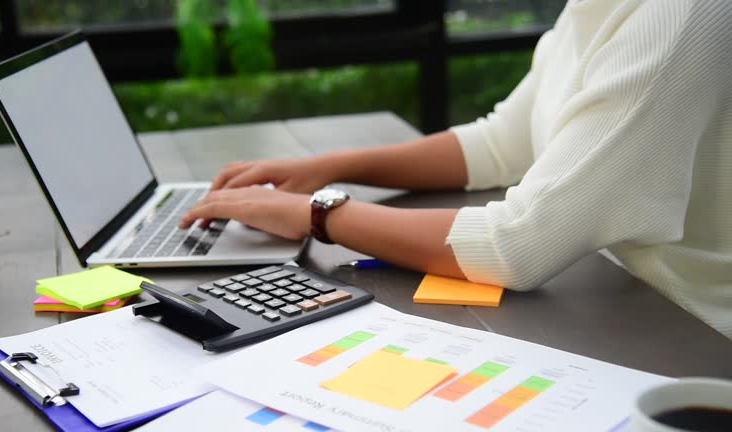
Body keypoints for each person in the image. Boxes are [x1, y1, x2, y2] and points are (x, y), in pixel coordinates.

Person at [180, 0, 732, 338]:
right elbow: (504, 141)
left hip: (688, 342)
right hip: (608, 295)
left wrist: (316, 214)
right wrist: (324, 169)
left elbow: (517, 245)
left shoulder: (679, 16)